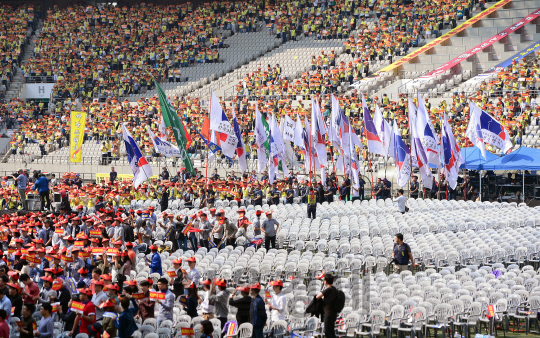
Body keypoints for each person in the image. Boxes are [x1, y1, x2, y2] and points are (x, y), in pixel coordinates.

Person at [316, 274, 339, 338]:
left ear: (325, 282)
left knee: (328, 333)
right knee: (331, 332)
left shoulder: (328, 289)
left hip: (328, 314)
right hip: (333, 314)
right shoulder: (335, 289)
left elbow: (317, 297)